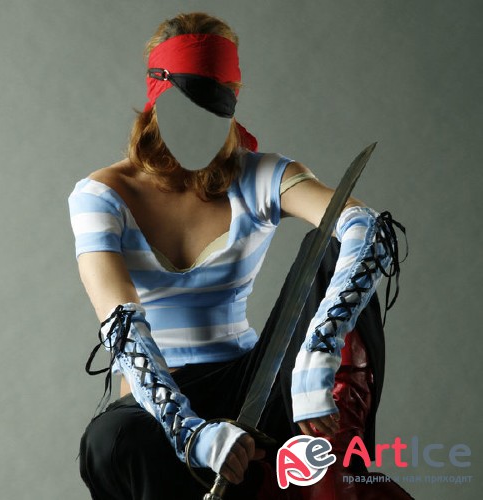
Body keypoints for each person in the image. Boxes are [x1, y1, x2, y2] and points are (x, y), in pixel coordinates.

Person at [68, 12, 410, 500]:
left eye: (213, 115)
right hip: (155, 400)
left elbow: (366, 228)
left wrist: (320, 346)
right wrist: (190, 433)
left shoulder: (260, 175)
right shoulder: (102, 195)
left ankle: (332, 472)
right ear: (155, 105)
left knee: (331, 244)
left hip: (255, 386)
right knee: (110, 442)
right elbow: (121, 324)